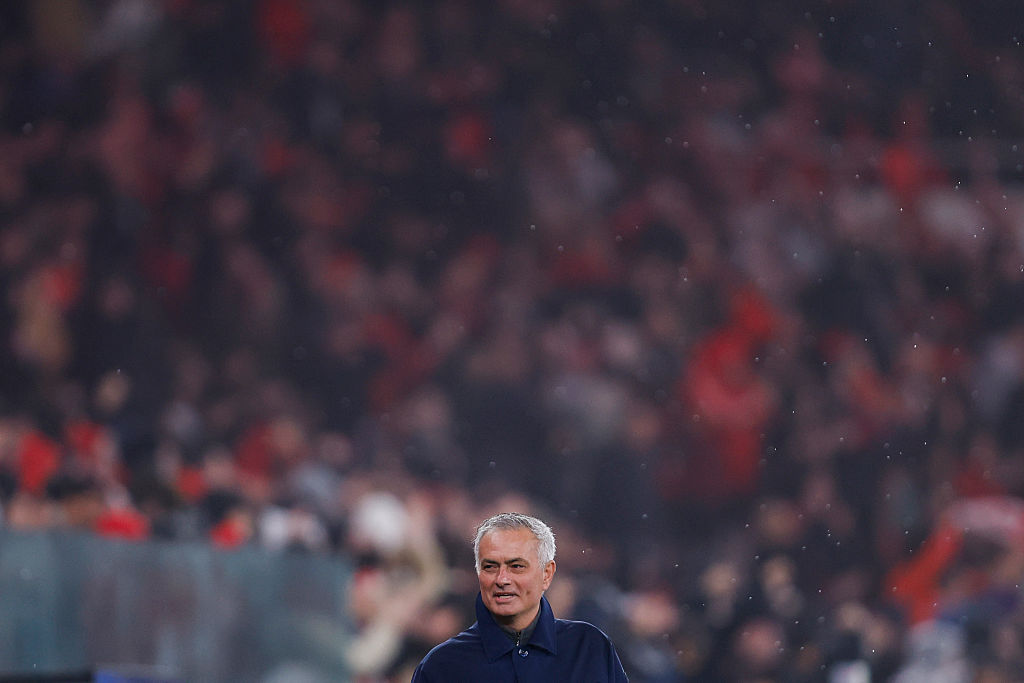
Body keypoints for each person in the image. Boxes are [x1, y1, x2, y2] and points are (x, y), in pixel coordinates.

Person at [411, 512, 629, 682]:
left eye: (516, 566)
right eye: (490, 566)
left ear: (547, 574)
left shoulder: (589, 647)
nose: (502, 579)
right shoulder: (442, 665)